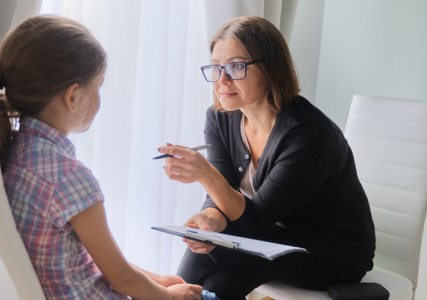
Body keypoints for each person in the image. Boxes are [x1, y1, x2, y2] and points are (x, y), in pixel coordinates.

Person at [0, 15, 205, 300]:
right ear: (73, 97)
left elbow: (93, 259)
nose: (100, 97)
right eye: (98, 86)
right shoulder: (68, 177)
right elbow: (122, 279)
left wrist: (156, 281)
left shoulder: (15, 151)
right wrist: (171, 297)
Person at [157, 16, 376, 299]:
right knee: (217, 268)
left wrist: (205, 175)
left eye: (236, 67)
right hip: (270, 239)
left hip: (331, 253)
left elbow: (253, 220)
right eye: (216, 67)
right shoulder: (220, 117)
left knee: (215, 252)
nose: (222, 80)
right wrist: (208, 220)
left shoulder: (308, 134)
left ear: (271, 69)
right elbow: (225, 193)